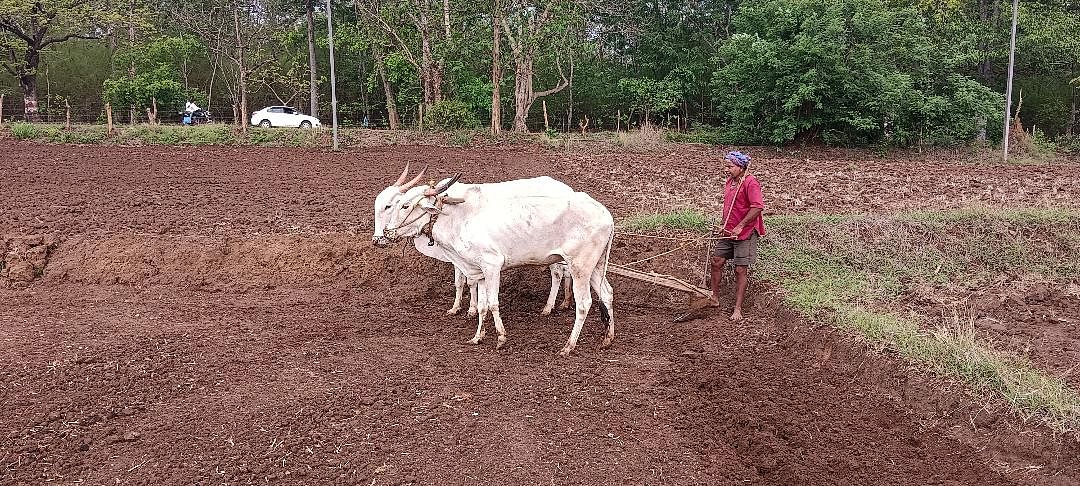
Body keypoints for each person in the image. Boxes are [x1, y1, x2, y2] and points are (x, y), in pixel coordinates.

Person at [709, 150, 766, 321]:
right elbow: (730, 207)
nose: (726, 169)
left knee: (740, 269)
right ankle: (714, 298)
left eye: (730, 166)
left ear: (741, 167)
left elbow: (757, 207)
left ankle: (738, 309)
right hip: (728, 231)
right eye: (726, 166)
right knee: (716, 261)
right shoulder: (730, 182)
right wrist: (724, 225)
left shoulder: (750, 182)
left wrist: (741, 226)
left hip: (745, 232)